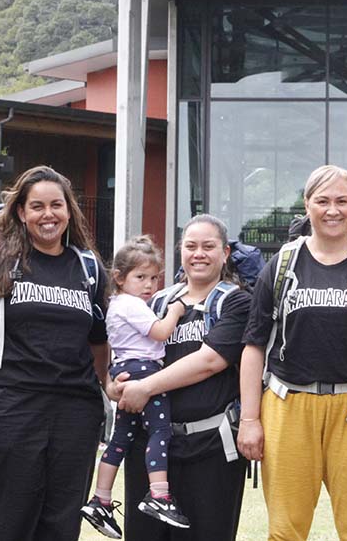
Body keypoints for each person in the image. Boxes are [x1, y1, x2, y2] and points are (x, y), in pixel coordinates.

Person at [237, 165, 347, 541]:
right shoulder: (284, 263)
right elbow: (254, 346)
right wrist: (250, 420)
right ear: (307, 206)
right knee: (285, 531)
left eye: (342, 201)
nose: (332, 210)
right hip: (288, 403)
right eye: (322, 201)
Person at [0, 165, 110, 541]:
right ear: (21, 212)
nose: (48, 214)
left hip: (75, 414)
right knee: (5, 524)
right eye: (37, 206)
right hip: (9, 408)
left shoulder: (89, 268)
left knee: (60, 525)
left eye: (57, 205)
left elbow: (98, 343)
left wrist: (101, 391)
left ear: (69, 210)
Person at [108, 214, 254, 541]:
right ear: (181, 251)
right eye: (191, 246)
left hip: (210, 445)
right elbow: (124, 349)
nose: (198, 253)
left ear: (225, 253)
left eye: (208, 246)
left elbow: (210, 361)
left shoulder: (236, 302)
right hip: (150, 445)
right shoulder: (156, 301)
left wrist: (144, 387)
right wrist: (114, 385)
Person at [81, 236, 188, 539]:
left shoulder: (115, 305)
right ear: (119, 277)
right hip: (145, 371)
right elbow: (160, 332)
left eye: (154, 278)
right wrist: (176, 312)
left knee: (120, 440)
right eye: (140, 277)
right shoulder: (133, 305)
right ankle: (159, 494)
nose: (149, 285)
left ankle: (100, 498)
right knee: (160, 431)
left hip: (124, 369)